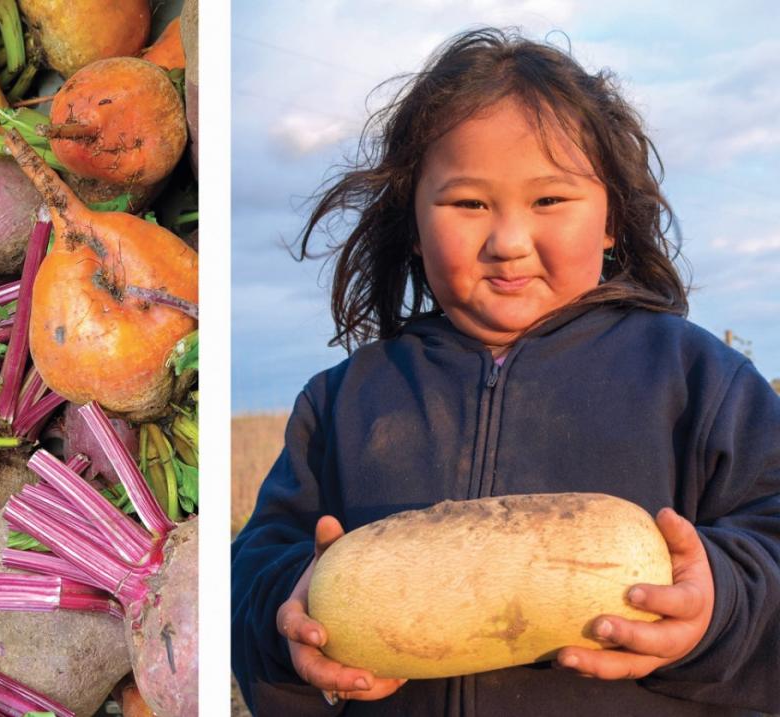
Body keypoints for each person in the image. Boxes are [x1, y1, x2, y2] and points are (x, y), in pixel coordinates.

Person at [230, 27, 780, 716]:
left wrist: (721, 605)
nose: (508, 243)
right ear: (413, 221)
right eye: (468, 204)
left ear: (611, 217)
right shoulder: (343, 402)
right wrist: (291, 619)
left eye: (549, 201)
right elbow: (250, 577)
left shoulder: (702, 384)